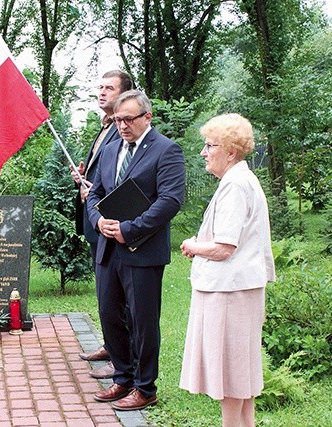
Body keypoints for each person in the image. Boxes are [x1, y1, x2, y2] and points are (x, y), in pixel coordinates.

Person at [86, 90, 186, 411]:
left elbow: (170, 201)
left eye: (129, 119)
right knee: (109, 313)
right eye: (117, 120)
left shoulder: (166, 150)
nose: (122, 126)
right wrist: (99, 220)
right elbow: (94, 194)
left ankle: (145, 388)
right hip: (107, 248)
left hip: (142, 251)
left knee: (143, 322)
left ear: (147, 117)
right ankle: (123, 377)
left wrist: (129, 229)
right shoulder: (110, 148)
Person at [179, 113, 275, 427]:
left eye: (210, 145)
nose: (204, 152)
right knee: (241, 378)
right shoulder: (241, 180)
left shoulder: (235, 185)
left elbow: (224, 247)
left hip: (230, 292)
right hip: (237, 289)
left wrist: (193, 246)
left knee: (232, 377)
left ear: (230, 151)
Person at [72, 70, 133, 380]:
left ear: (124, 95)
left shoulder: (122, 132)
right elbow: (102, 175)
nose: (101, 92)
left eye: (109, 88)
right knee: (106, 293)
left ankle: (122, 356)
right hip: (97, 221)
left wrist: (93, 188)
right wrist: (85, 180)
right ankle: (112, 346)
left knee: (117, 296)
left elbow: (126, 180)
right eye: (100, 87)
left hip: (113, 223)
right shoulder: (105, 129)